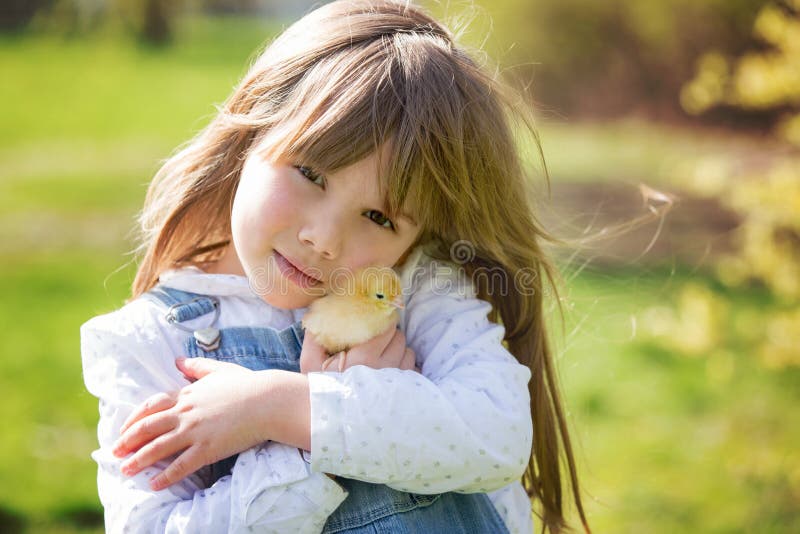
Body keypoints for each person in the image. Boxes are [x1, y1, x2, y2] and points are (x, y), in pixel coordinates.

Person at [79, 1, 590, 532]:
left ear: (417, 235)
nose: (323, 240)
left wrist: (287, 409)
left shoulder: (417, 293)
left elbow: (497, 433)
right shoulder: (150, 343)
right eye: (310, 173)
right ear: (252, 131)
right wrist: (302, 457)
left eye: (377, 216)